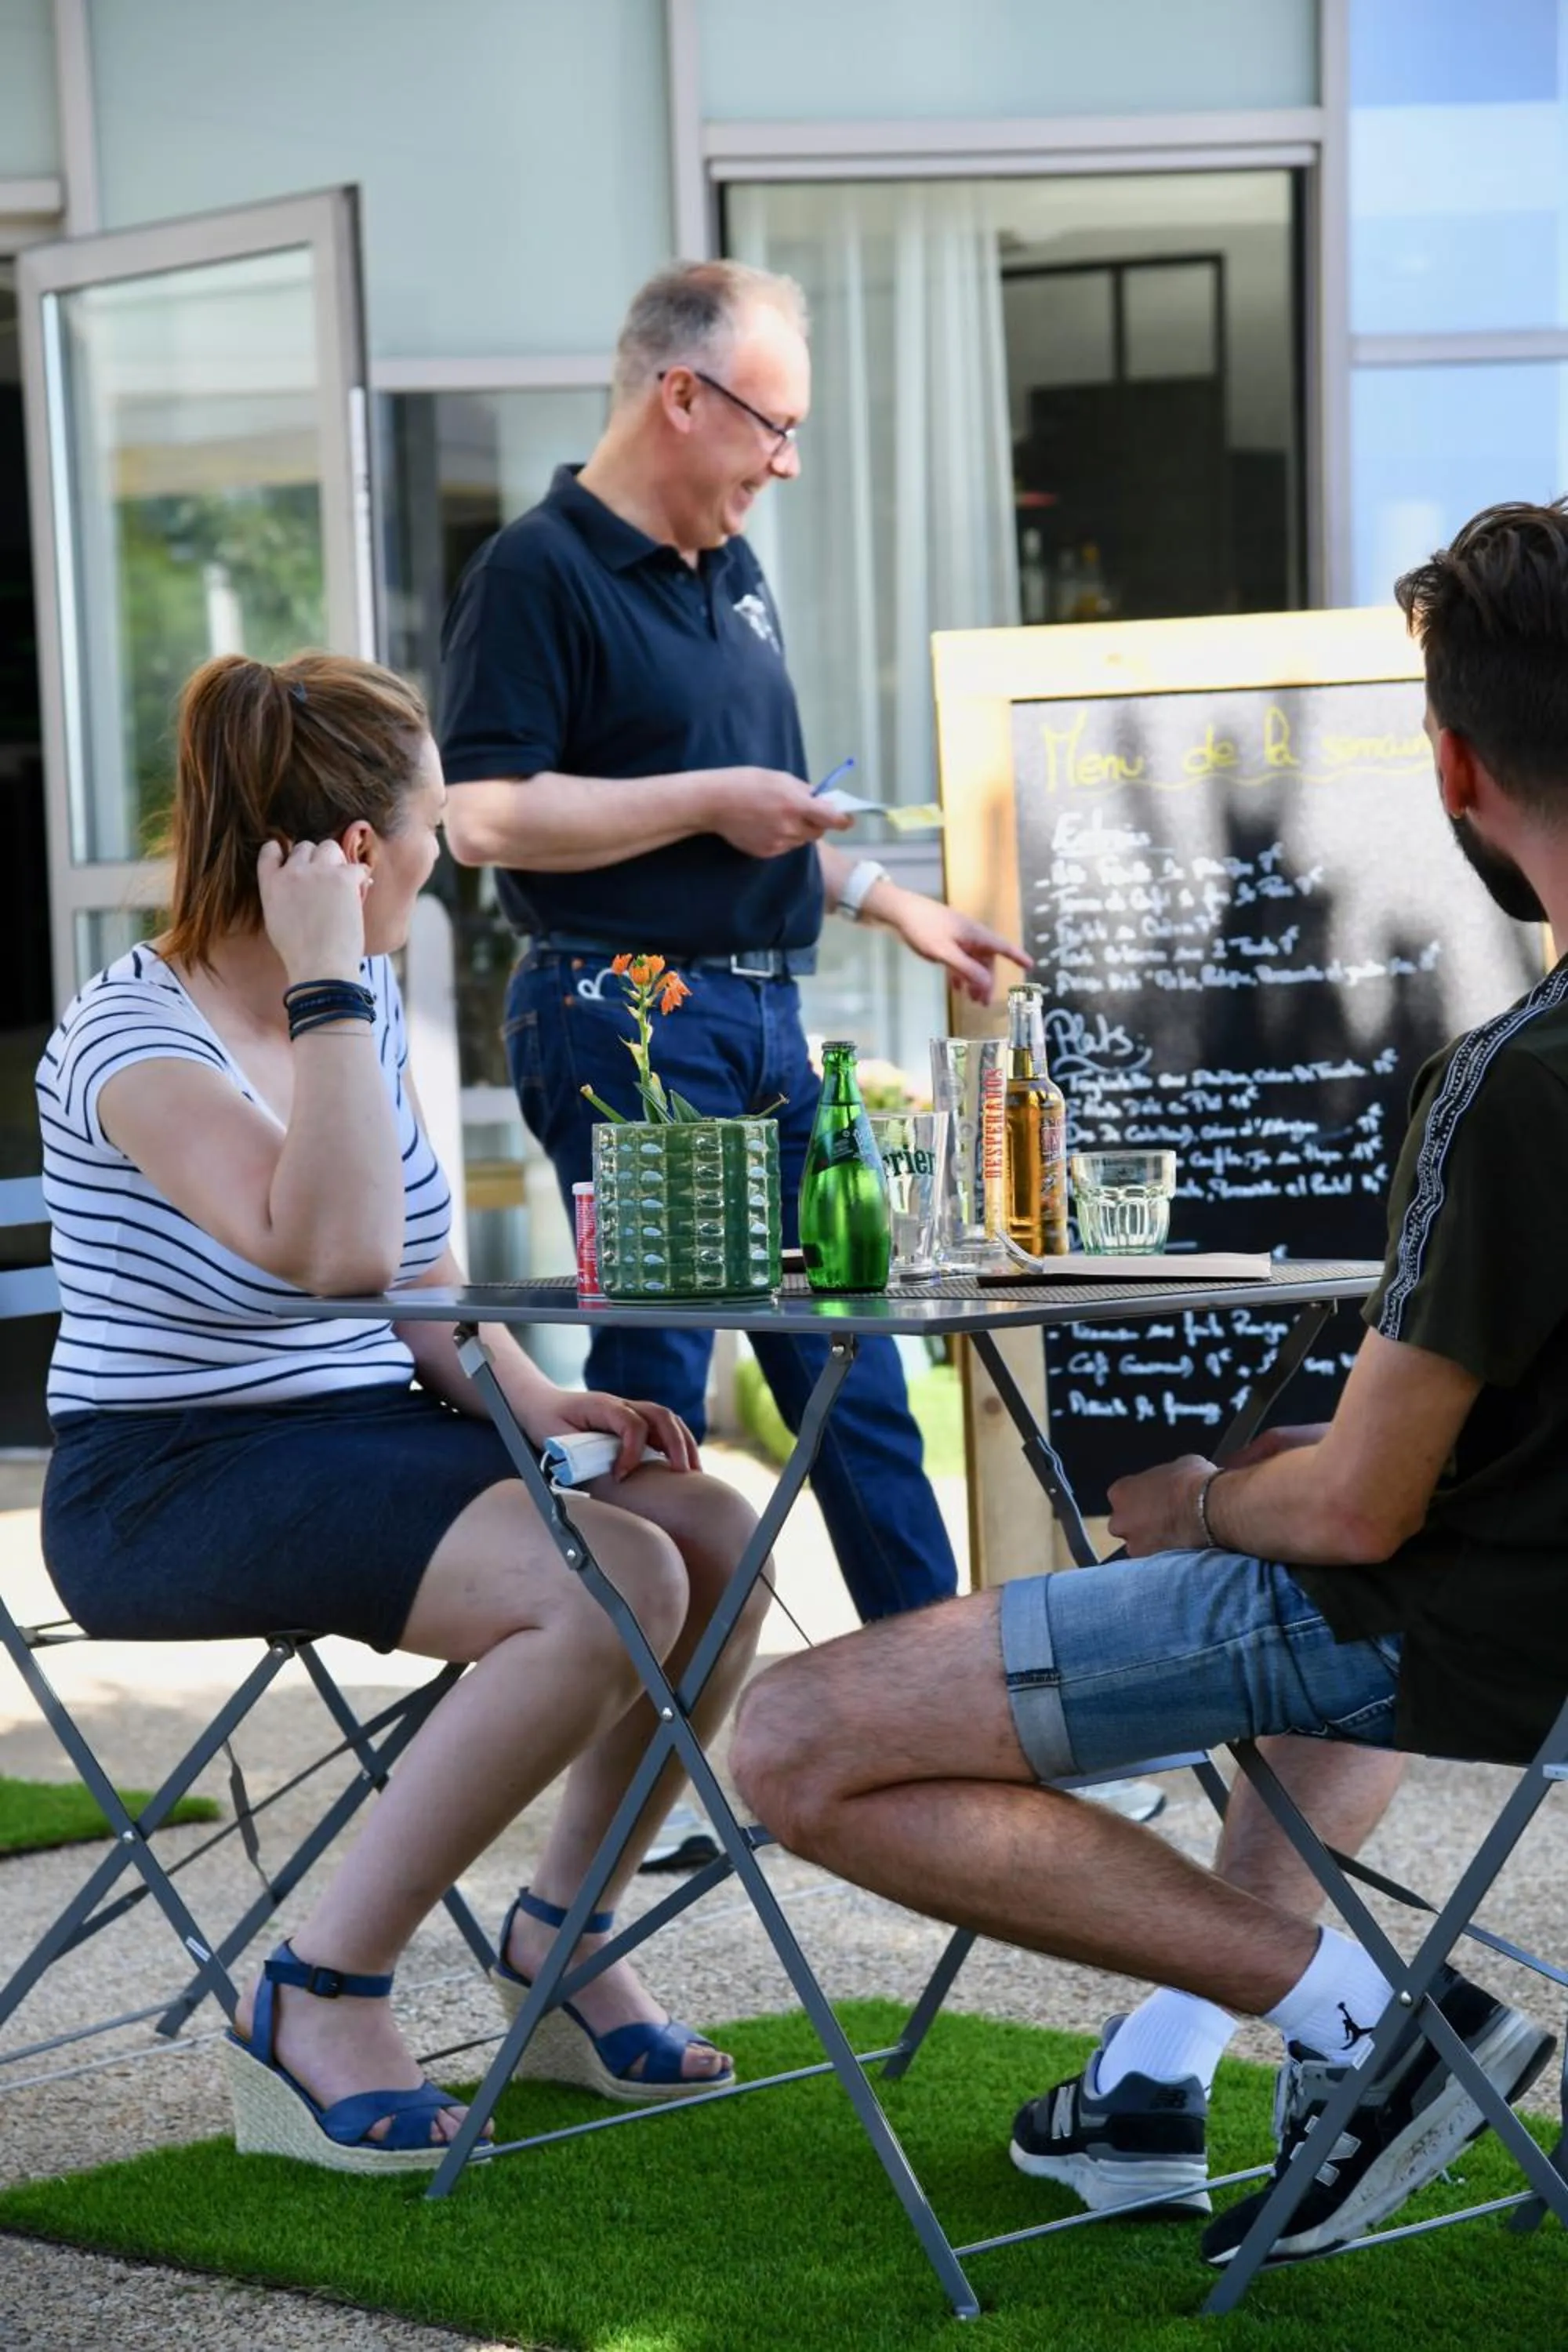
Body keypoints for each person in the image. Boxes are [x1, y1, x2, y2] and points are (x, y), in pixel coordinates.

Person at [729, 498, 1568, 2267]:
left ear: (1452, 770)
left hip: (1452, 1625)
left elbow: (1352, 1511)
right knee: (1284, 1580)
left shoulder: (1513, 1083)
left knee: (796, 1737)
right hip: (1494, 1610)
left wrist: (1205, 1501)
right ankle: (1162, 2078)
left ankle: (1370, 2026)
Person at [37, 651, 771, 2172]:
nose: (445, 860)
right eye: (429, 824)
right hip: (170, 1477)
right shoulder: (136, 1036)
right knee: (608, 1583)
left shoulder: (353, 997)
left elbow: (418, 1282)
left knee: (711, 1525)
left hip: (364, 1432)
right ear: (357, 850)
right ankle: (318, 1992)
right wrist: (322, 987)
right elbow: (335, 1250)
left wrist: (540, 1394)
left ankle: (561, 1940)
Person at [438, 258, 1029, 1627]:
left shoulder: (733, 568)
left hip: (762, 1014)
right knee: (659, 1391)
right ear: (682, 395)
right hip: (626, 1011)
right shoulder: (537, 571)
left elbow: (754, 829)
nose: (791, 463)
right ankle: (640, 1762)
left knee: (860, 1374)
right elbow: (480, 816)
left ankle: (943, 1721)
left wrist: (891, 901)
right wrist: (713, 796)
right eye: (776, 426)